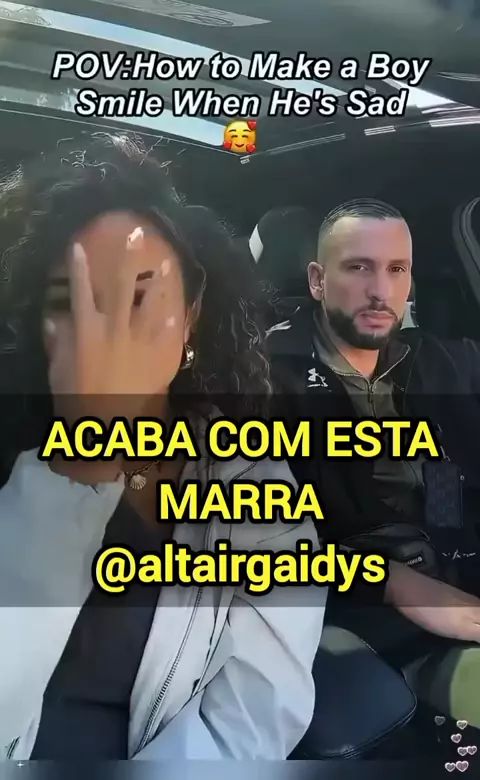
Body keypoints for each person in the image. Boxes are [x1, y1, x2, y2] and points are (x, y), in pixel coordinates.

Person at [0, 132, 325, 761]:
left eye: (140, 298)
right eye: (72, 302)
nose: (106, 332)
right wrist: (79, 464)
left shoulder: (250, 481)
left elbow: (257, 711)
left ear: (192, 317)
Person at [268, 198, 480, 727]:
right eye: (359, 268)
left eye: (396, 269)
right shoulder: (264, 382)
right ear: (317, 281)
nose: (381, 291)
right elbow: (253, 551)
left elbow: (450, 492)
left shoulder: (445, 362)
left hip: (460, 572)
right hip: (357, 616)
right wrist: (392, 583)